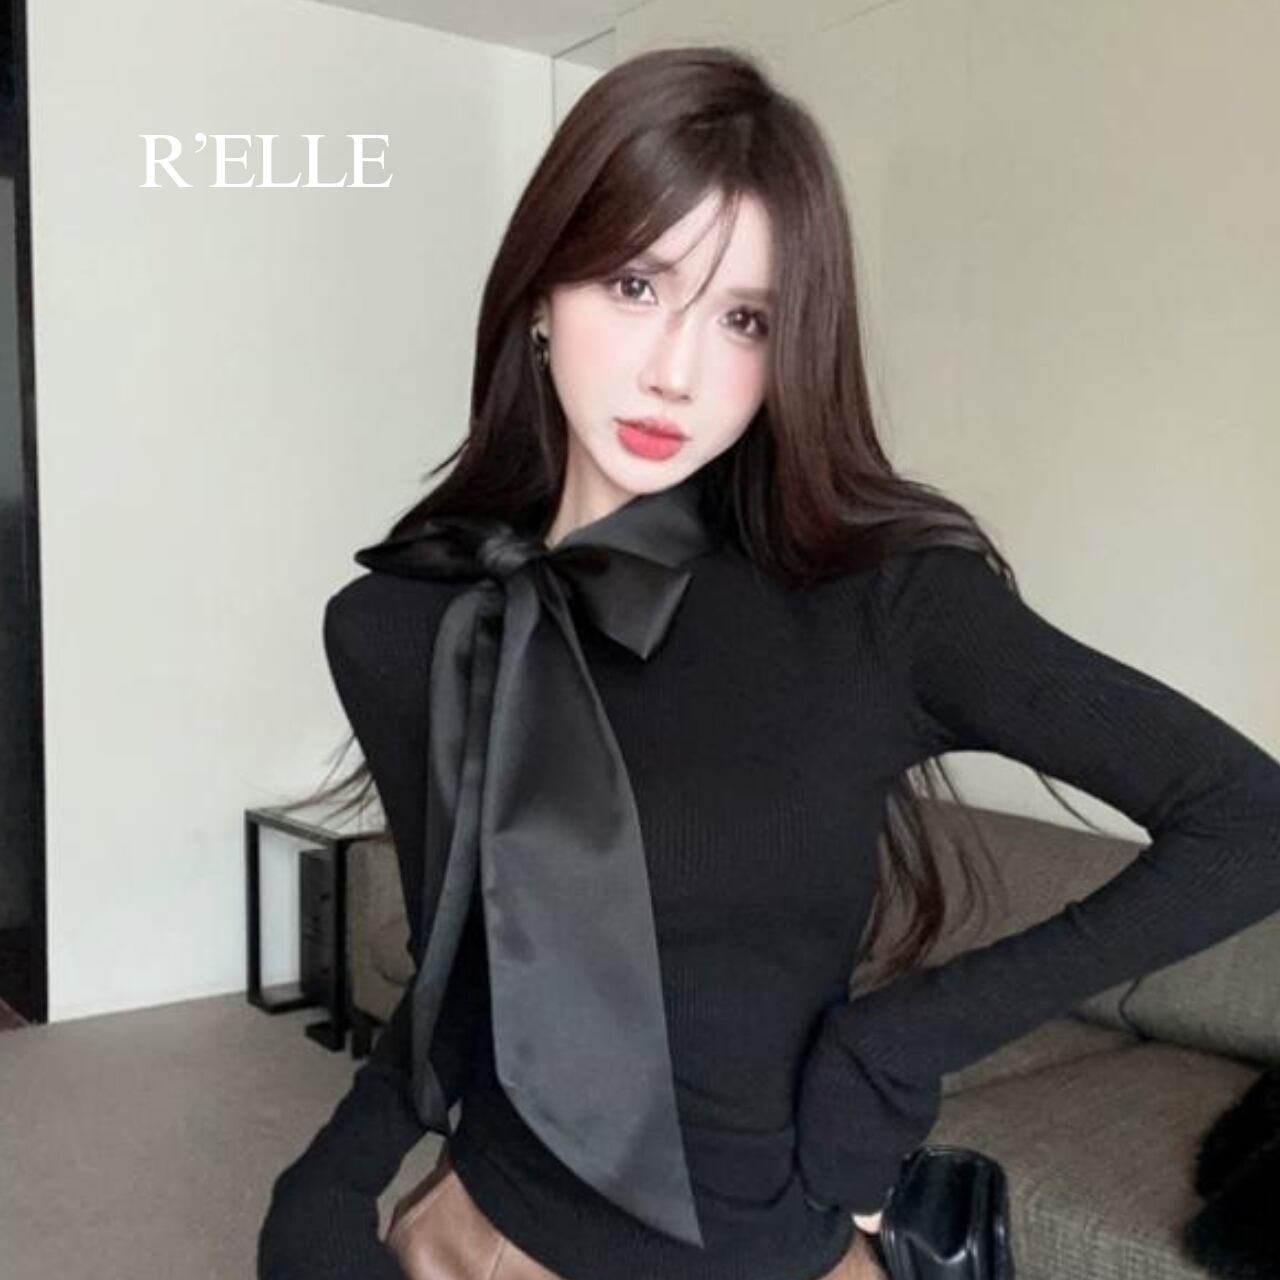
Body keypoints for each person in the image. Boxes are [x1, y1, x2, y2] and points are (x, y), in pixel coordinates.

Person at [257, 43, 1280, 1280]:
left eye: (742, 317)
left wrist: (893, 1043)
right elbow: (465, 964)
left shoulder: (882, 604)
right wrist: (334, 1174)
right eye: (634, 284)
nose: (675, 371)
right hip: (483, 1233)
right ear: (537, 294)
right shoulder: (399, 624)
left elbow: (1248, 819)